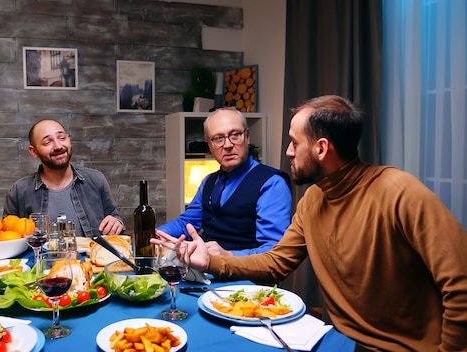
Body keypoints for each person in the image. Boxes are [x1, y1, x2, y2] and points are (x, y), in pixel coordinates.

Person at [155, 95, 467, 351]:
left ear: (321, 148)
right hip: (339, 341)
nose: (288, 151)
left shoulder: (400, 192)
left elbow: (461, 285)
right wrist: (212, 261)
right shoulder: (314, 199)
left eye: (294, 142)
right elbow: (277, 262)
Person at [158, 107, 292, 256]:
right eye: (218, 138)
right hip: (205, 273)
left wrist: (228, 256)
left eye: (235, 135)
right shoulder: (208, 182)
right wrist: (157, 234)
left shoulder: (272, 184)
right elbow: (186, 223)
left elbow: (275, 252)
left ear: (247, 137)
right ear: (209, 144)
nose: (227, 145)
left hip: (246, 277)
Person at [4, 119, 124, 237]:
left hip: (89, 256)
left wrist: (116, 223)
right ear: (34, 151)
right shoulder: (19, 191)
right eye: (47, 142)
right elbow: (7, 237)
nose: (58, 146)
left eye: (62, 138)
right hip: (40, 257)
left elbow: (114, 217)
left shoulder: (96, 180)